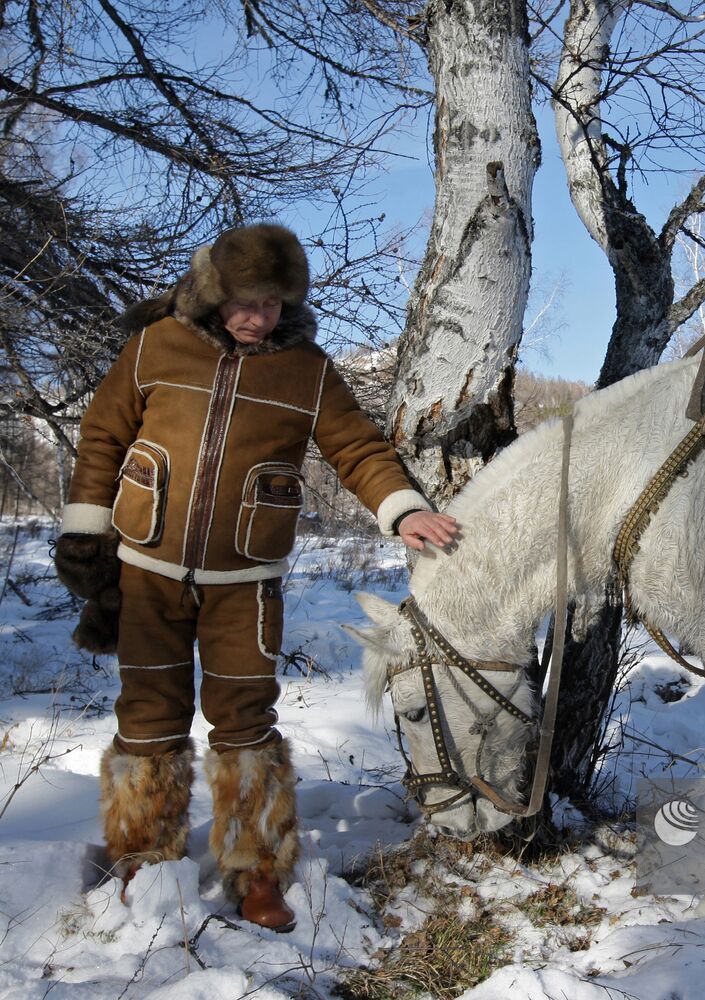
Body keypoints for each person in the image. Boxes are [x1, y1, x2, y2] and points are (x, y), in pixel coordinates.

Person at [53, 223, 458, 932]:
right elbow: (101, 436)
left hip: (247, 580)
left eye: (272, 305)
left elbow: (357, 448)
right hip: (147, 568)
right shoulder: (155, 346)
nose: (257, 318)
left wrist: (403, 511)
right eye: (245, 301)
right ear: (215, 292)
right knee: (148, 719)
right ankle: (146, 859)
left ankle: (258, 871)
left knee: (246, 727)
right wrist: (87, 531)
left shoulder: (306, 369)